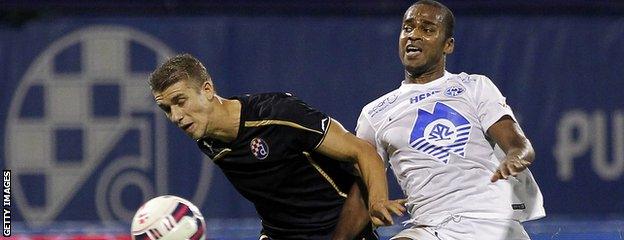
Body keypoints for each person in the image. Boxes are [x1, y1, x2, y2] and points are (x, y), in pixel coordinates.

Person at [149, 53, 405, 240]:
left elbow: (363, 151)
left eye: (180, 101)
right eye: (166, 109)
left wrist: (377, 200)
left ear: (207, 89)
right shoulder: (205, 137)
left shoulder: (278, 114)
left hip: (339, 230)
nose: (176, 116)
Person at [355, 1, 545, 239]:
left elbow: (520, 145)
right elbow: (359, 190)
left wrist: (515, 157)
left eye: (427, 29)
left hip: (492, 223)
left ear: (448, 45)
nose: (414, 35)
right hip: (429, 228)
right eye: (408, 27)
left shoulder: (475, 86)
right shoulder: (374, 114)